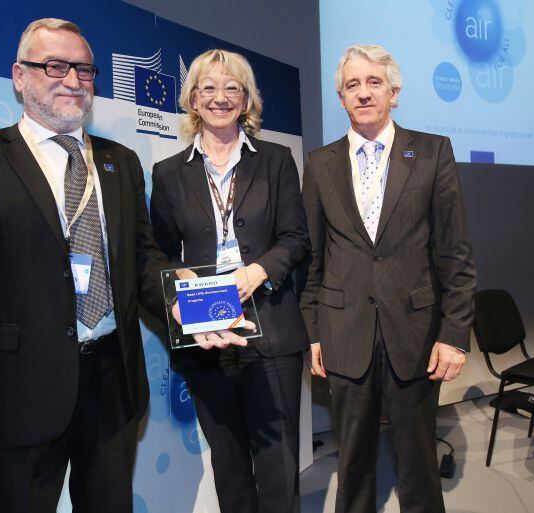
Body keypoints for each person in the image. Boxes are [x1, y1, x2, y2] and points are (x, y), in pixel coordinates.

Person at [0, 18, 167, 513]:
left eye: (84, 69)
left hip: (113, 387)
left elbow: (143, 262)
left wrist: (197, 311)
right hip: (18, 395)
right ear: (20, 76)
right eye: (55, 65)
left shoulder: (121, 163)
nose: (72, 80)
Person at [301, 44, 477, 513]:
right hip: (344, 332)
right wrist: (314, 332)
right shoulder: (319, 164)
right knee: (352, 464)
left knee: (418, 465)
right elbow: (313, 257)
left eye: (373, 82)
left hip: (416, 334)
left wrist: (454, 336)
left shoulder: (433, 152)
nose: (363, 93)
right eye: (352, 85)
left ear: (393, 92)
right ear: (341, 98)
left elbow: (455, 254)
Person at [150, 49, 310, 513]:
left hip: (274, 335)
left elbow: (297, 238)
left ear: (246, 100)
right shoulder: (168, 173)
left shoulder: (277, 161)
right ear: (193, 100)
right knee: (229, 462)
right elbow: (155, 252)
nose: (220, 98)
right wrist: (176, 276)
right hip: (204, 337)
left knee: (278, 465)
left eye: (231, 88)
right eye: (208, 88)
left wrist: (258, 271)